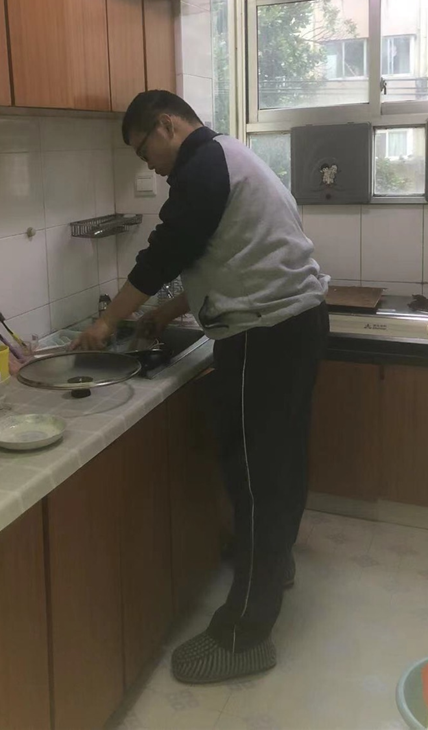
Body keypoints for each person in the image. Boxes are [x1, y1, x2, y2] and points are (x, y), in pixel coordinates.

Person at [72, 90, 330, 684]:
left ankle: (243, 635)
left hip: (265, 334)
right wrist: (165, 312)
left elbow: (166, 253)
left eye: (145, 152)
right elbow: (226, 253)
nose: (150, 167)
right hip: (290, 324)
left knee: (257, 476)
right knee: (280, 465)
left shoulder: (202, 165)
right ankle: (272, 564)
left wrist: (107, 322)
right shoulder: (229, 157)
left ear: (166, 126)